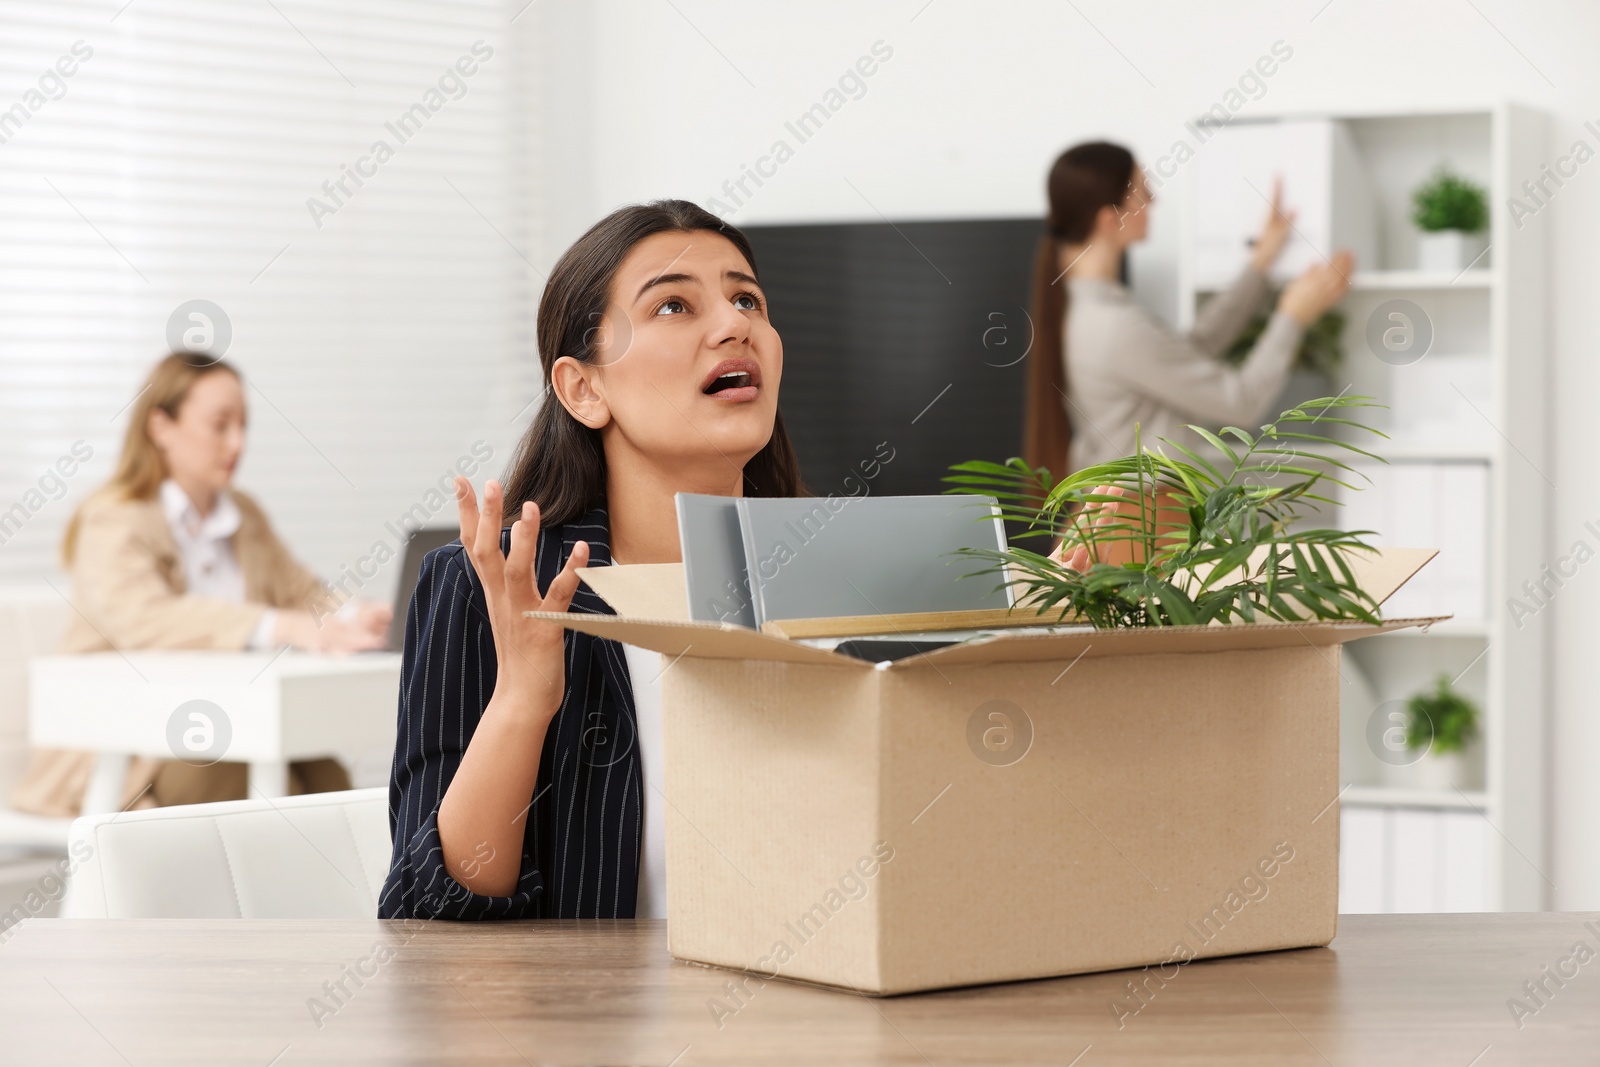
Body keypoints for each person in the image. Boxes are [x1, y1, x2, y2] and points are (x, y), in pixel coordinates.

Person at [379, 200, 805, 921]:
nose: (735, 325)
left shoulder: (827, 576)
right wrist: (522, 697)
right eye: (674, 305)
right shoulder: (489, 586)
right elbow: (426, 921)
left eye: (747, 299)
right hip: (587, 1028)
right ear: (584, 388)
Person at [11, 353, 390, 817]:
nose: (238, 442)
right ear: (160, 427)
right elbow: (145, 620)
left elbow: (303, 594)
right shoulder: (113, 519)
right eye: (220, 424)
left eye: (244, 425)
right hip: (131, 749)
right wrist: (280, 626)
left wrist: (353, 616)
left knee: (328, 778)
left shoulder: (244, 515)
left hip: (231, 729)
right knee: (268, 788)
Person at [1021, 141, 1355, 479]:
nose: (1154, 201)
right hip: (1143, 523)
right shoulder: (1114, 324)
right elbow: (1241, 402)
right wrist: (1292, 316)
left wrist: (1260, 264)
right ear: (1111, 219)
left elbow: (1190, 353)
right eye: (1143, 191)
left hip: (1126, 518)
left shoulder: (1091, 309)